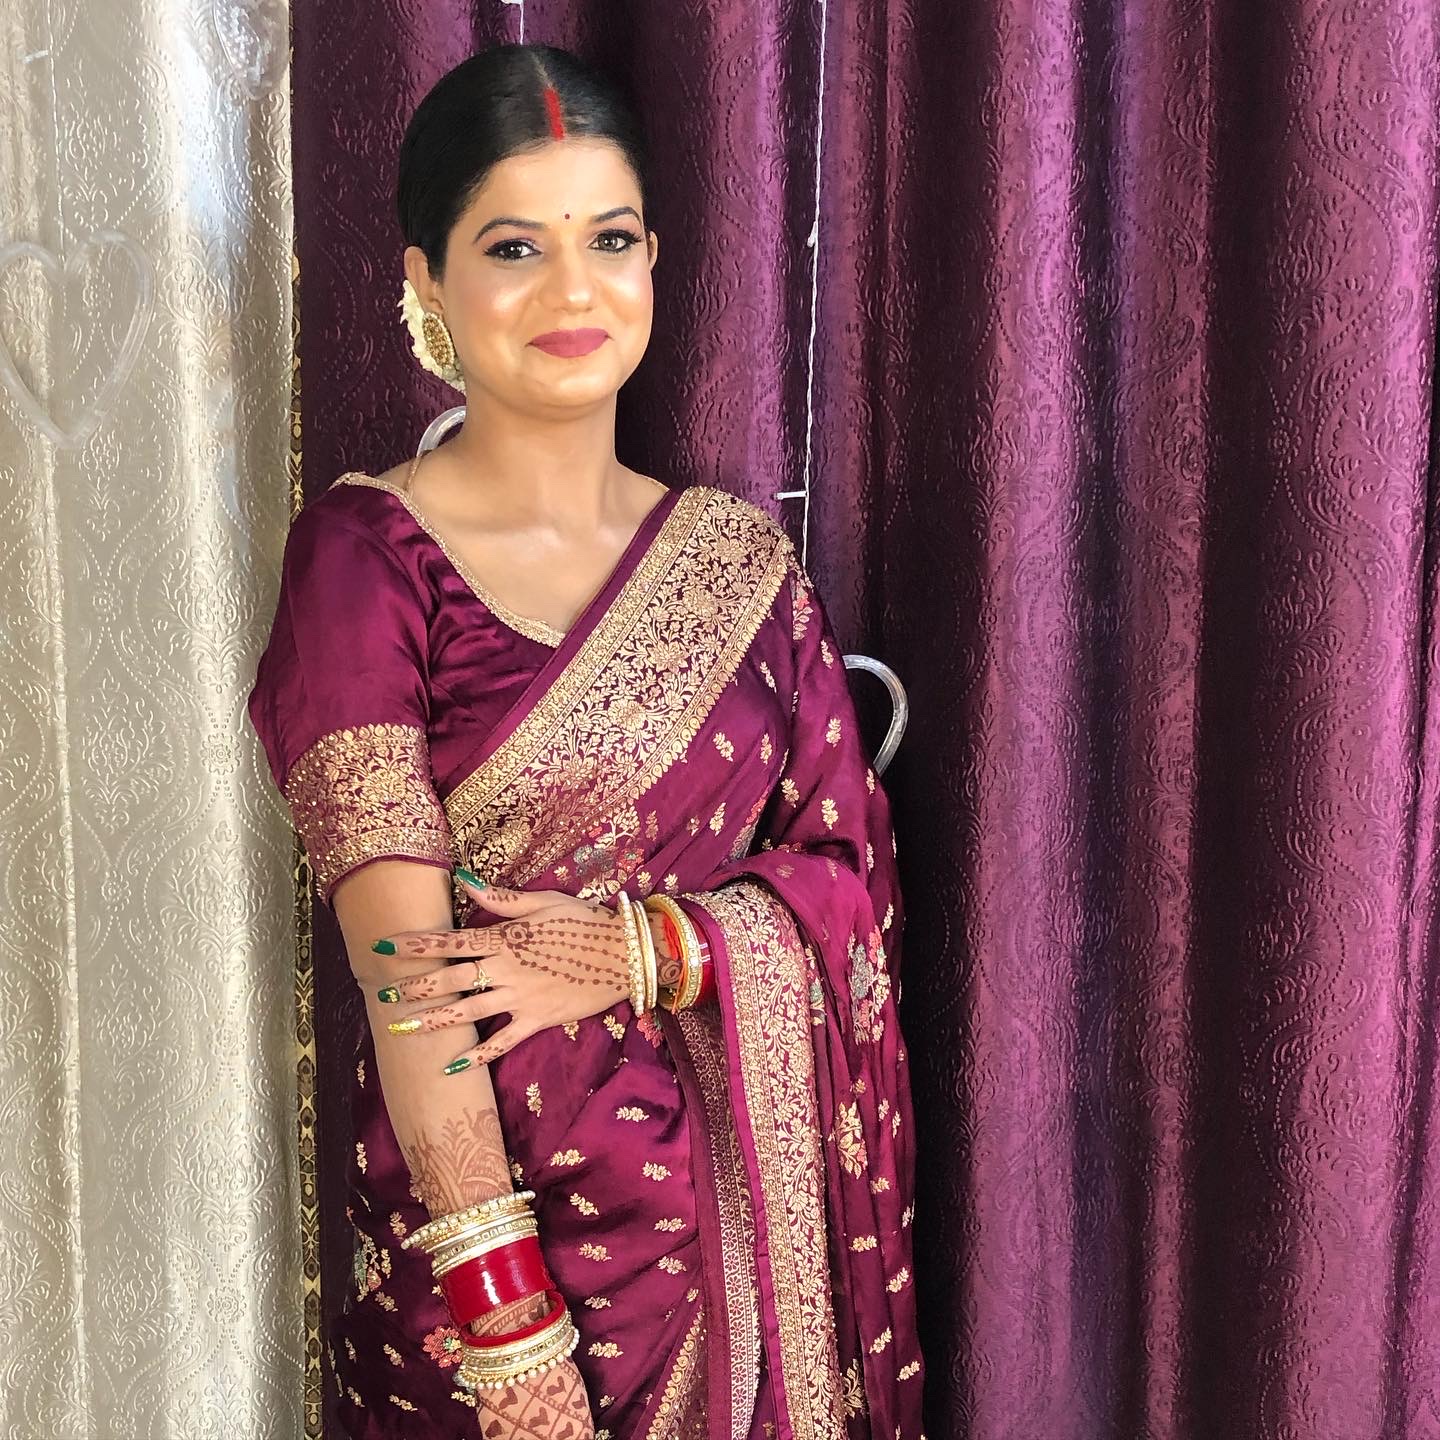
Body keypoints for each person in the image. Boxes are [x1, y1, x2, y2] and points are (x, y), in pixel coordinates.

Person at [248, 40, 923, 1440]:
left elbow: (851, 889)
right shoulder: (366, 558)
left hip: (748, 1271)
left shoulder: (742, 569)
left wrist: (648, 950)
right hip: (501, 1277)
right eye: (514, 248)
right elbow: (407, 982)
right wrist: (506, 1329)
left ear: (655, 261)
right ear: (427, 281)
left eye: (609, 239)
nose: (573, 290)